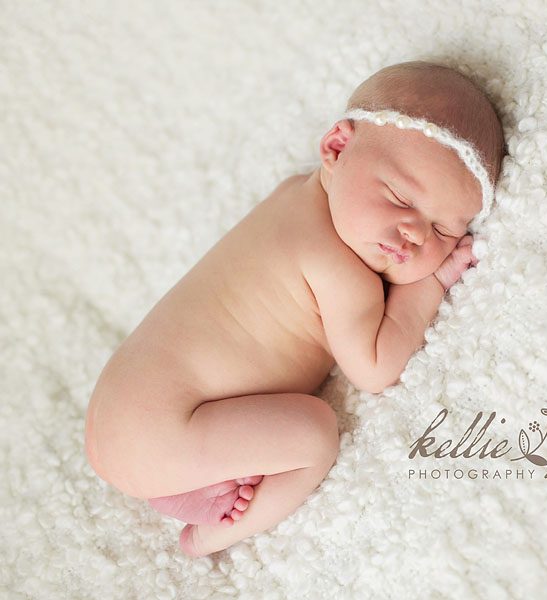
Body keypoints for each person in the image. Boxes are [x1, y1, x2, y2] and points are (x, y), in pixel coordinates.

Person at [83, 60, 506, 557]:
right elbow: (374, 368)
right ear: (337, 147)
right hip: (158, 431)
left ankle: (197, 487)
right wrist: (431, 280)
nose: (414, 234)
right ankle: (210, 536)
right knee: (316, 435)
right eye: (398, 197)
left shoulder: (290, 196)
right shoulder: (336, 267)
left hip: (125, 404)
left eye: (442, 231)